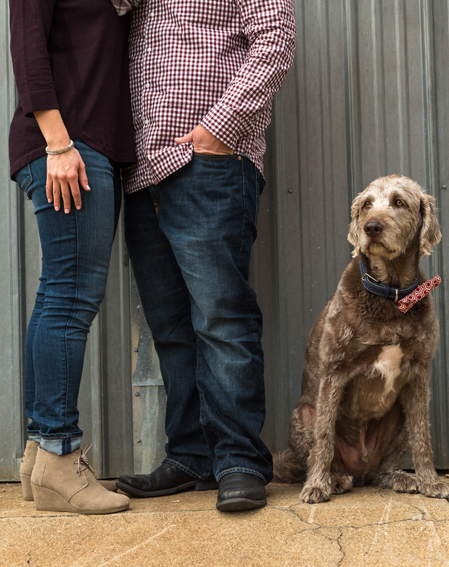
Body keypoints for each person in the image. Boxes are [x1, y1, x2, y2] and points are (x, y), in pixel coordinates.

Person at [115, 0, 296, 512]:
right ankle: (191, 455)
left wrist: (219, 129)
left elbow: (275, 40)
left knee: (222, 318)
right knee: (171, 328)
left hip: (209, 164)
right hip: (145, 169)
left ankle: (239, 460)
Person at [8, 0, 136, 515]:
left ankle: (39, 455)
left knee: (57, 295)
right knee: (70, 300)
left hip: (86, 143)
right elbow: (27, 46)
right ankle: (61, 456)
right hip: (67, 146)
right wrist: (58, 144)